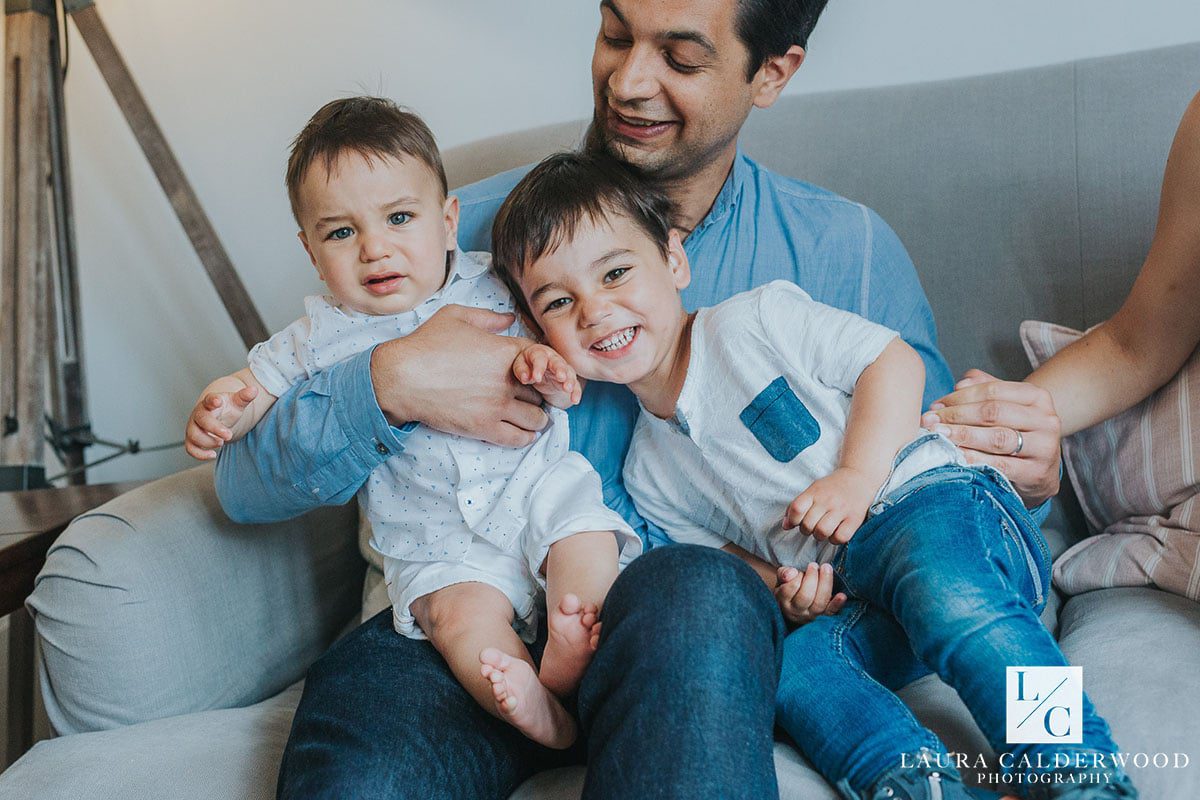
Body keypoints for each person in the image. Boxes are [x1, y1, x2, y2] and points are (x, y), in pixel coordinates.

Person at [214, 1, 1064, 796]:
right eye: (615, 34)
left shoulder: (840, 252)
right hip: (462, 615)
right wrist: (389, 381)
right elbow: (243, 484)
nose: (626, 82)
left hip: (688, 628)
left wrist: (1024, 462)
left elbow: (934, 493)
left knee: (697, 589)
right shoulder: (444, 229)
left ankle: (1065, 757)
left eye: (681, 55)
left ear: (772, 71)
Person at [491, 150, 1135, 800]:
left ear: (674, 260)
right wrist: (789, 592)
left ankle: (1077, 772)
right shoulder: (649, 473)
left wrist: (857, 476)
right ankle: (925, 789)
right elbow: (738, 562)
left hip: (940, 510)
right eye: (560, 301)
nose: (595, 311)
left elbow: (892, 361)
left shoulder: (753, 321)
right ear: (538, 330)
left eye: (617, 272)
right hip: (864, 598)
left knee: (947, 593)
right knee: (798, 668)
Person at [184, 97, 641, 749]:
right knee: (459, 622)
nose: (375, 249)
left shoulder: (498, 284)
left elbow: (549, 337)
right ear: (311, 252)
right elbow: (257, 387)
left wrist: (544, 366)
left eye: (399, 218)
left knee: (585, 535)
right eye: (341, 233)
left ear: (448, 221)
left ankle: (573, 636)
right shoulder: (319, 335)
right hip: (435, 544)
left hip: (535, 487)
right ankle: (532, 702)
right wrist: (225, 403)